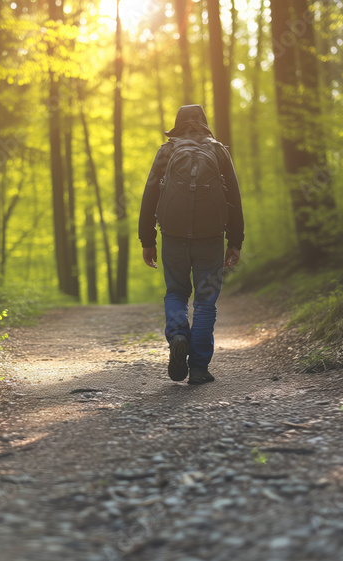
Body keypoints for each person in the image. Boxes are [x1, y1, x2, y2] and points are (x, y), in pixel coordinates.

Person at [138, 105, 244, 385]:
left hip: (172, 235)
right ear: (204, 124)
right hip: (210, 237)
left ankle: (178, 335)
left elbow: (150, 193)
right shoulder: (219, 151)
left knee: (176, 291)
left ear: (177, 125)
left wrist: (147, 239)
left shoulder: (166, 151)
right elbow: (233, 195)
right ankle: (198, 367)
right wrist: (235, 241)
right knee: (206, 302)